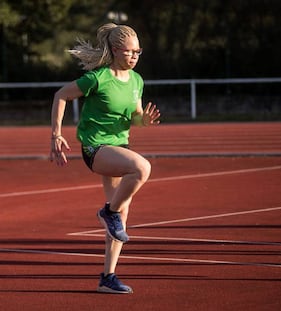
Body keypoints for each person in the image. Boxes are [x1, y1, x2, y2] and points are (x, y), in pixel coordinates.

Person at [50, 23, 160, 294]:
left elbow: (133, 116)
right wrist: (56, 135)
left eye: (138, 51)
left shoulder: (136, 80)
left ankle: (107, 277)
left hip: (118, 146)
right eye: (129, 51)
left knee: (122, 216)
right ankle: (107, 213)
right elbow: (61, 95)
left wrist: (142, 120)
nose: (134, 56)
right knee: (141, 168)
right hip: (95, 148)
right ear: (114, 50)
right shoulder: (98, 77)